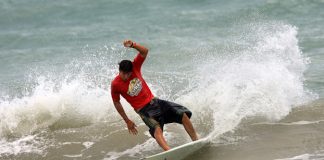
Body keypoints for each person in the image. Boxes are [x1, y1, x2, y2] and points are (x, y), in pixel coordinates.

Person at [111, 39, 198, 151]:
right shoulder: (115, 84)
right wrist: (127, 120)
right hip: (143, 110)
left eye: (129, 74)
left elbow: (145, 52)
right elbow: (116, 102)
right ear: (120, 71)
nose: (127, 76)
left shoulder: (135, 66)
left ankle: (196, 140)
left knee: (183, 115)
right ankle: (169, 152)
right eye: (124, 74)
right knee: (156, 128)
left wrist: (133, 45)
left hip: (155, 101)